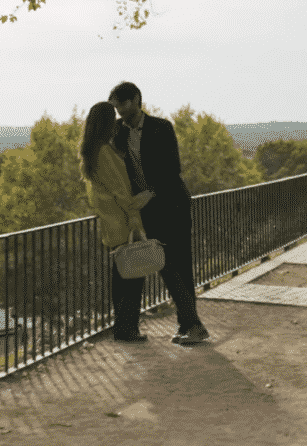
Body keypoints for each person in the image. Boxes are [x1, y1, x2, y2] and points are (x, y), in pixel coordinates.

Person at [108, 82, 210, 345]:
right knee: (143, 263)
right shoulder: (117, 132)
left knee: (177, 266)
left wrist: (150, 193)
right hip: (144, 212)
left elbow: (172, 168)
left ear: (136, 101)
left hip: (171, 206)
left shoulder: (161, 127)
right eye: (116, 106)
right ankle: (131, 326)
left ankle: (191, 325)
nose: (119, 111)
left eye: (122, 104)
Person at [79, 102, 154, 343]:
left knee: (122, 277)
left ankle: (123, 327)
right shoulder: (104, 152)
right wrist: (134, 214)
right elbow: (120, 191)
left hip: (111, 224)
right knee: (132, 279)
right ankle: (127, 329)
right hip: (122, 222)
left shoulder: (92, 152)